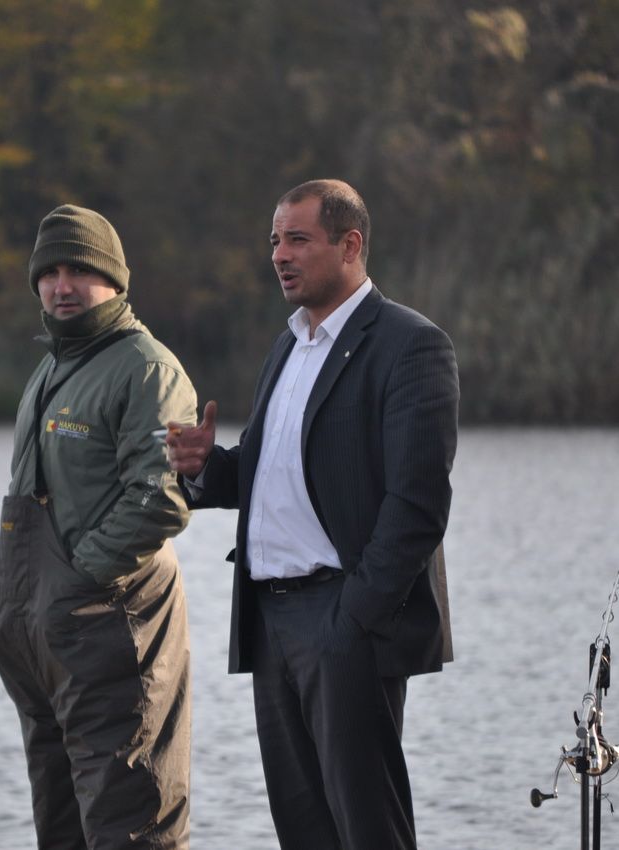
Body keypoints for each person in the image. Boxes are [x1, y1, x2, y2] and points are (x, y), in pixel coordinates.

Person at [166, 179, 459, 850]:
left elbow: (418, 505)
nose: (279, 255)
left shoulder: (411, 344)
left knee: (370, 832)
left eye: (297, 239)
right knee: (303, 833)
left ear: (350, 245)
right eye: (274, 241)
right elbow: (271, 470)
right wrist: (205, 467)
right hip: (271, 624)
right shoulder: (290, 344)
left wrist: (352, 621)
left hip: (344, 620)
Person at [0, 205, 197, 849]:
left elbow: (160, 498)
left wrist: (77, 584)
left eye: (79, 271)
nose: (62, 286)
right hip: (42, 645)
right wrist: (6, 595)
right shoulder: (49, 368)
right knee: (61, 825)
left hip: (109, 631)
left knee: (132, 822)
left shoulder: (147, 369)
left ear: (115, 280)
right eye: (49, 273)